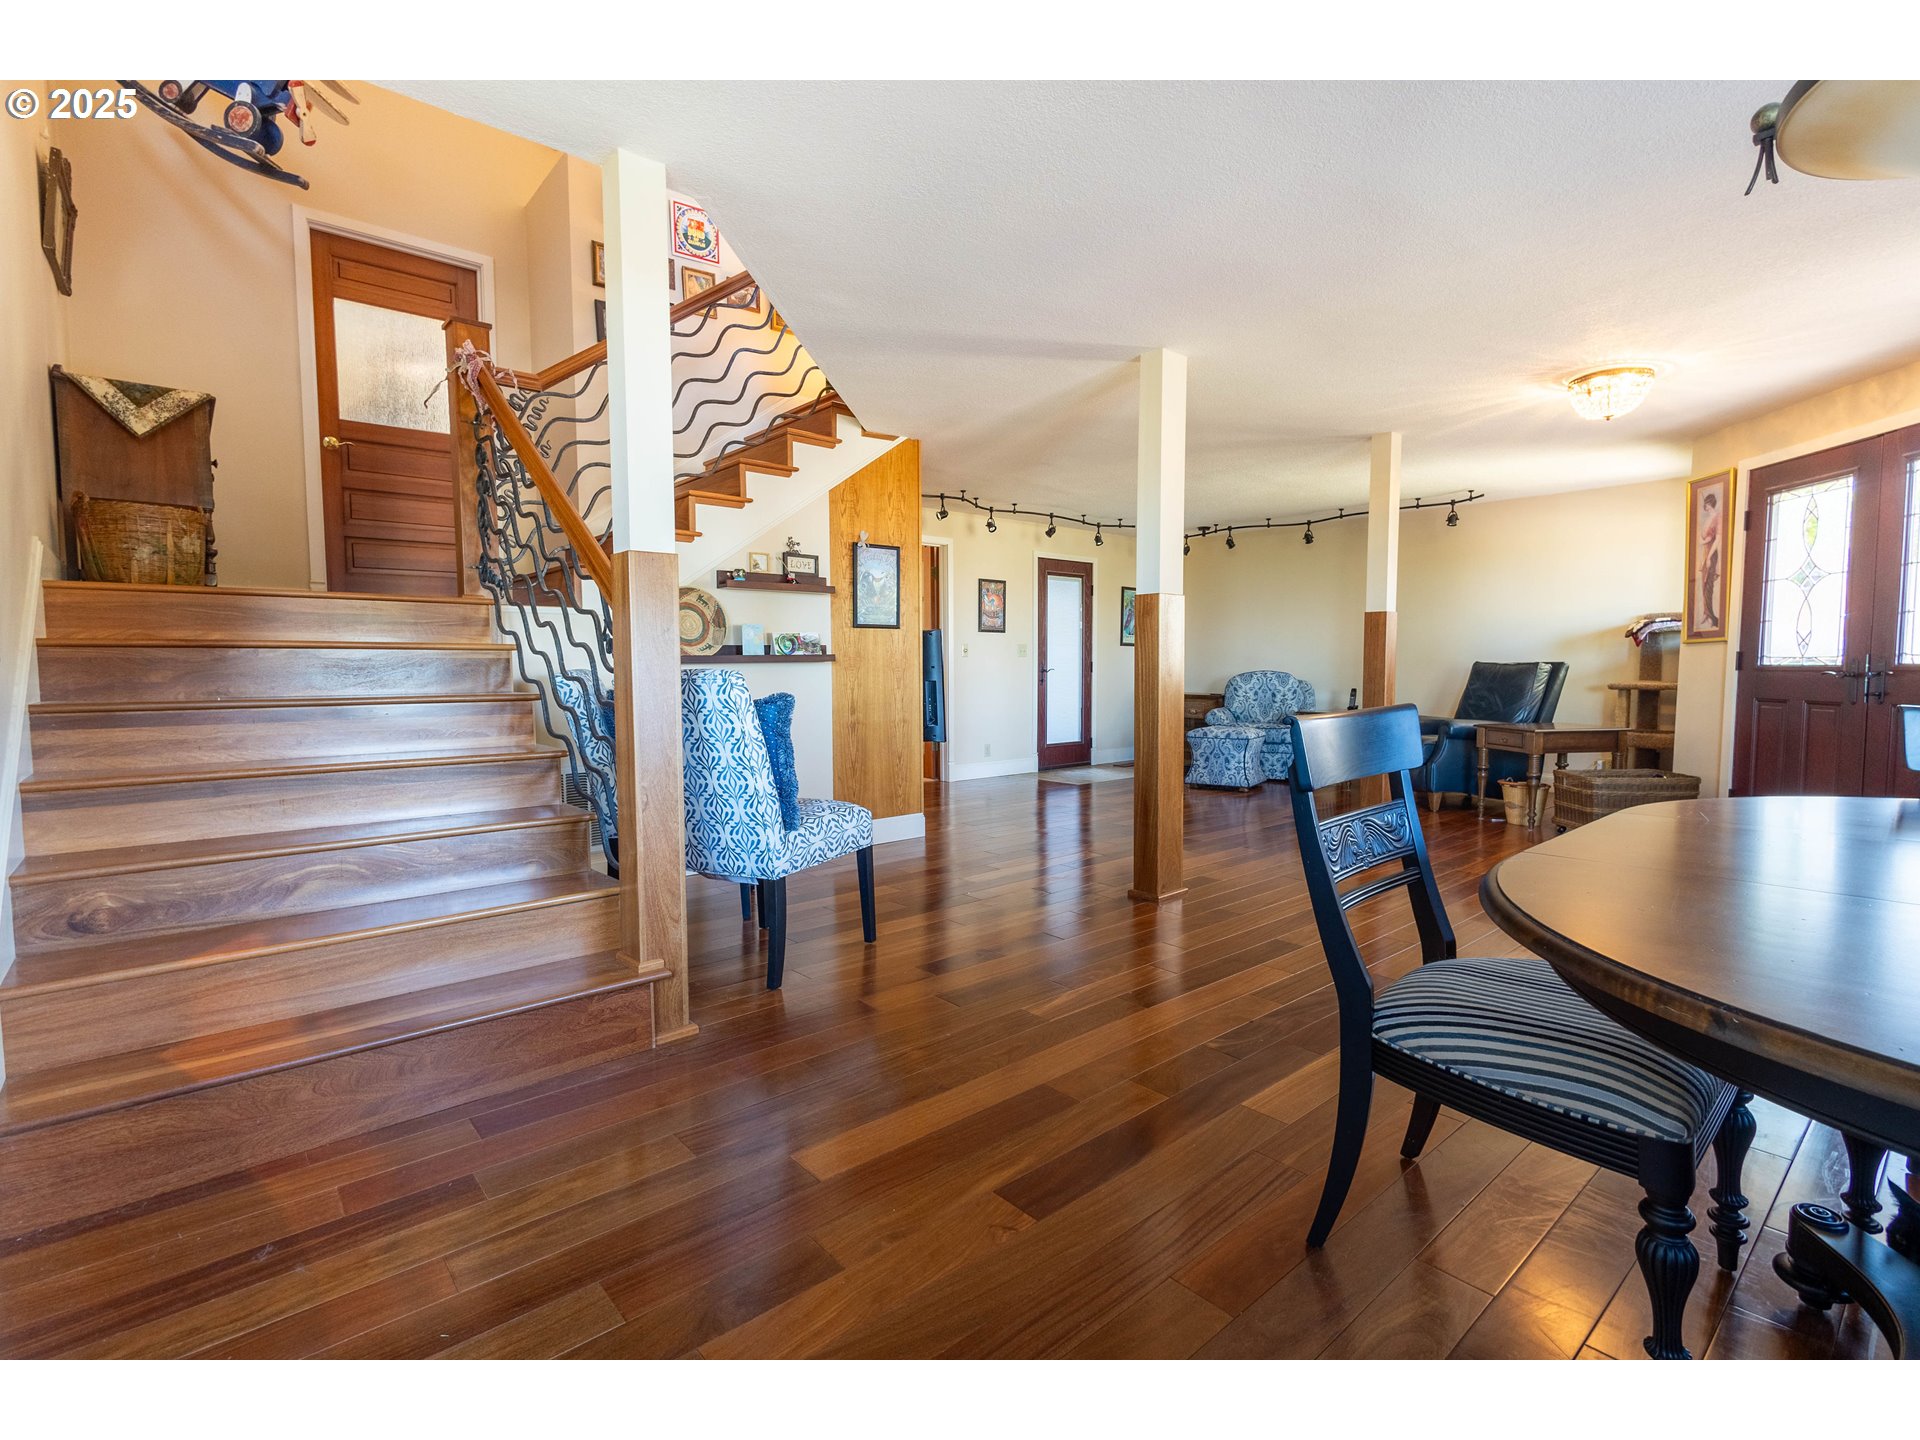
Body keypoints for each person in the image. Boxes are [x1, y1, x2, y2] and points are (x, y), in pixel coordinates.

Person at [1698, 491, 1722, 631]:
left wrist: (1708, 557)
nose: (1705, 506)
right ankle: (1706, 613)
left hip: (1711, 553)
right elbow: (1707, 537)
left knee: (1709, 585)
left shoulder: (1718, 517)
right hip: (1705, 551)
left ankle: (1711, 616)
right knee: (1703, 583)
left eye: (1706, 503)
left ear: (1710, 503)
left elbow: (1717, 539)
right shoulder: (1708, 518)